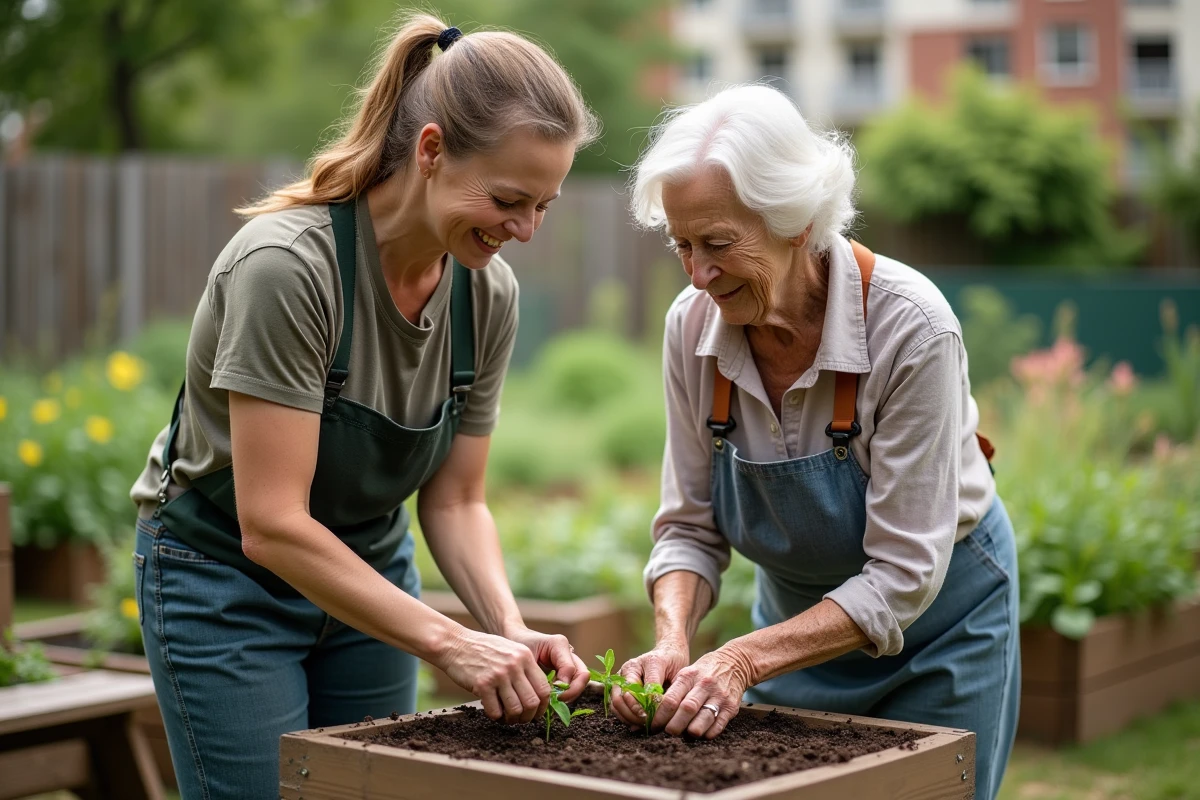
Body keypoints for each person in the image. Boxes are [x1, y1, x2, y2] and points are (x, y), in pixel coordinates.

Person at [127, 14, 600, 799]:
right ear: (431, 150)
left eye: (544, 205)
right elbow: (272, 522)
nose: (525, 230)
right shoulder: (288, 269)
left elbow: (456, 499)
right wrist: (451, 643)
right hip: (223, 581)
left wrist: (505, 629)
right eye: (510, 198)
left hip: (368, 579)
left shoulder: (486, 294)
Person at [612, 84, 1017, 800]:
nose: (698, 276)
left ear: (796, 221)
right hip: (794, 639)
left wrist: (738, 660)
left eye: (718, 244)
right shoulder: (691, 328)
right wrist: (675, 639)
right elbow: (688, 530)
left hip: (942, 628)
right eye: (681, 245)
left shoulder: (911, 328)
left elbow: (901, 575)